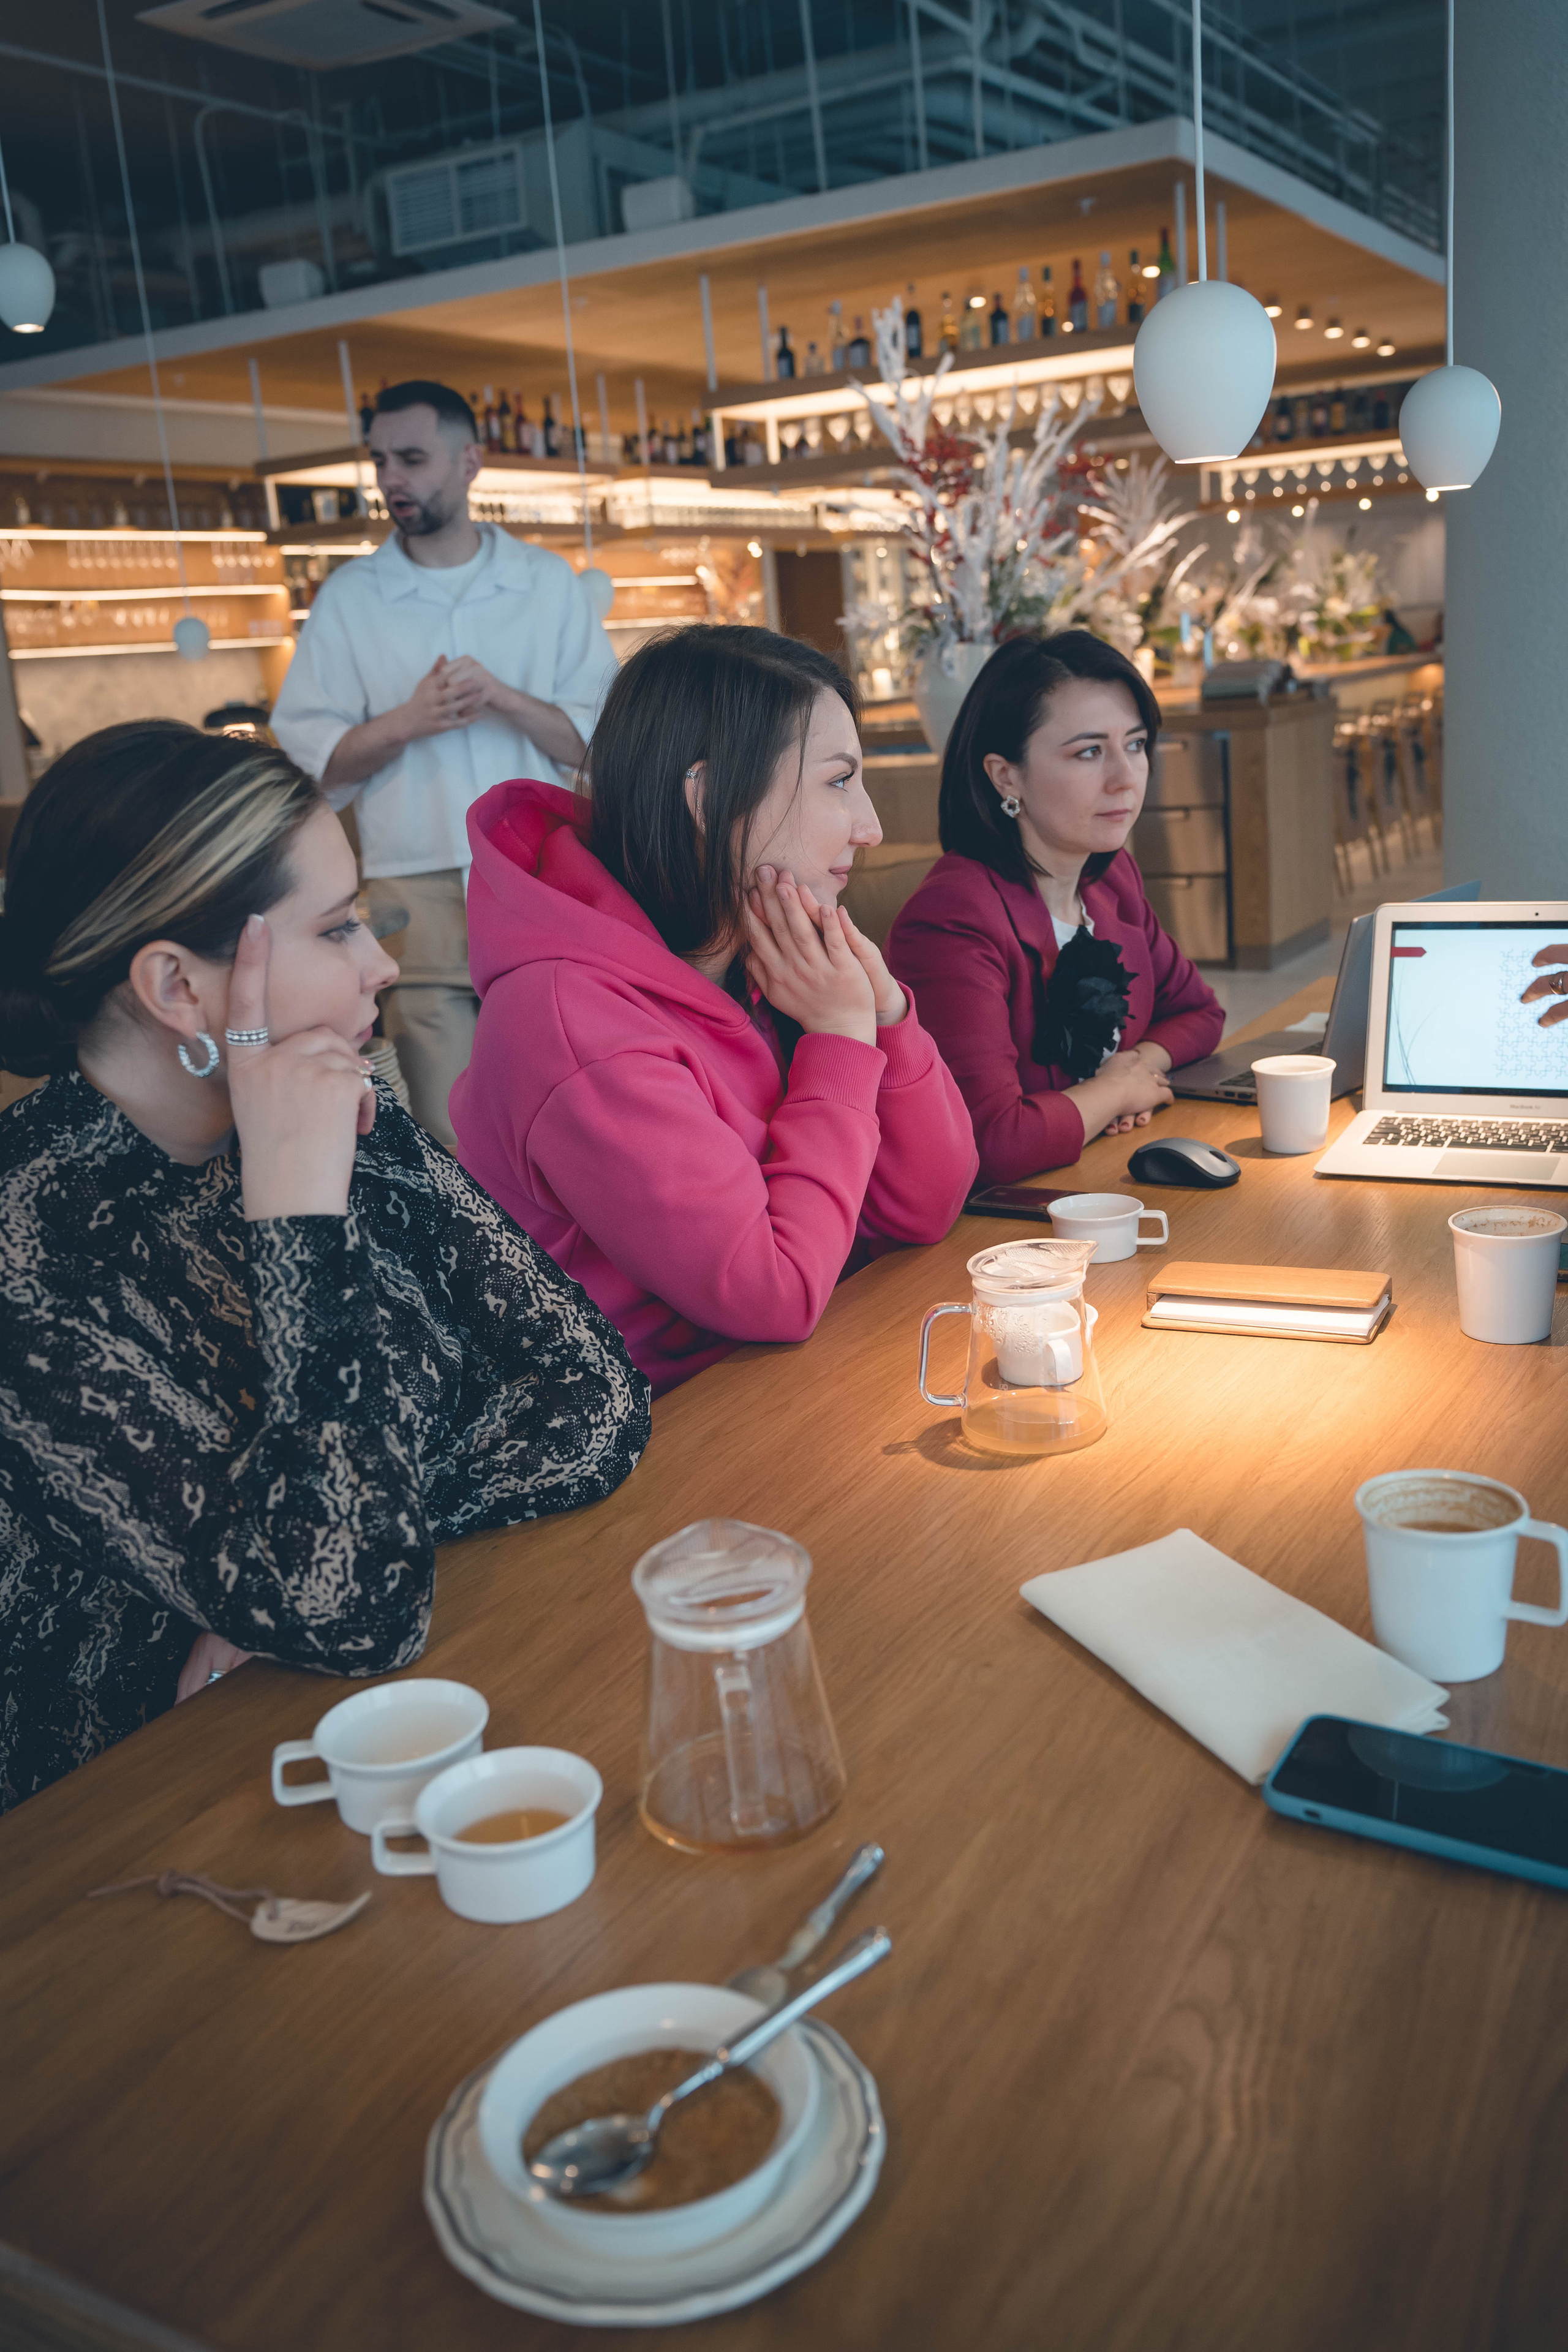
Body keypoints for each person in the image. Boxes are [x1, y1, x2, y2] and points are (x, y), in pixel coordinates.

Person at [0, 722, 649, 1814]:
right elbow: (356, 1607)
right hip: (140, 1813)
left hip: (389, 1713)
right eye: (338, 927)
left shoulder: (330, 1099)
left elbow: (594, 1395)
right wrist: (296, 1211)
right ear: (177, 987)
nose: (383, 963)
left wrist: (358, 1543)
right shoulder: (32, 1255)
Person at [450, 625, 978, 1396]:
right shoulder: (569, 1020)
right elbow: (773, 1293)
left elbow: (928, 1207)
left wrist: (885, 1013)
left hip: (799, 1379)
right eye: (838, 781)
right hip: (669, 1432)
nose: (870, 827)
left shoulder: (767, 953)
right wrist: (838, 1042)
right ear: (707, 797)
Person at [271, 379, 618, 1153]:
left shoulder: (546, 583)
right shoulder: (350, 598)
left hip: (540, 874)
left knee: (567, 1106)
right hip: (414, 889)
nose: (392, 478)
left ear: (469, 462)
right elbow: (308, 769)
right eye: (380, 461)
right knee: (448, 1124)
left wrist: (504, 698)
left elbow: (603, 747)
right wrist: (408, 720)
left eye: (412, 459)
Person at [886, 630, 1225, 1182]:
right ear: (1006, 776)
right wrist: (1114, 1094)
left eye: (1135, 744)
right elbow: (992, 1140)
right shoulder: (953, 919)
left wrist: (1136, 1068)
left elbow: (1200, 1014)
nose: (1125, 778)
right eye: (1089, 752)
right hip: (1001, 1218)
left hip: (1099, 1177)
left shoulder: (1111, 879)